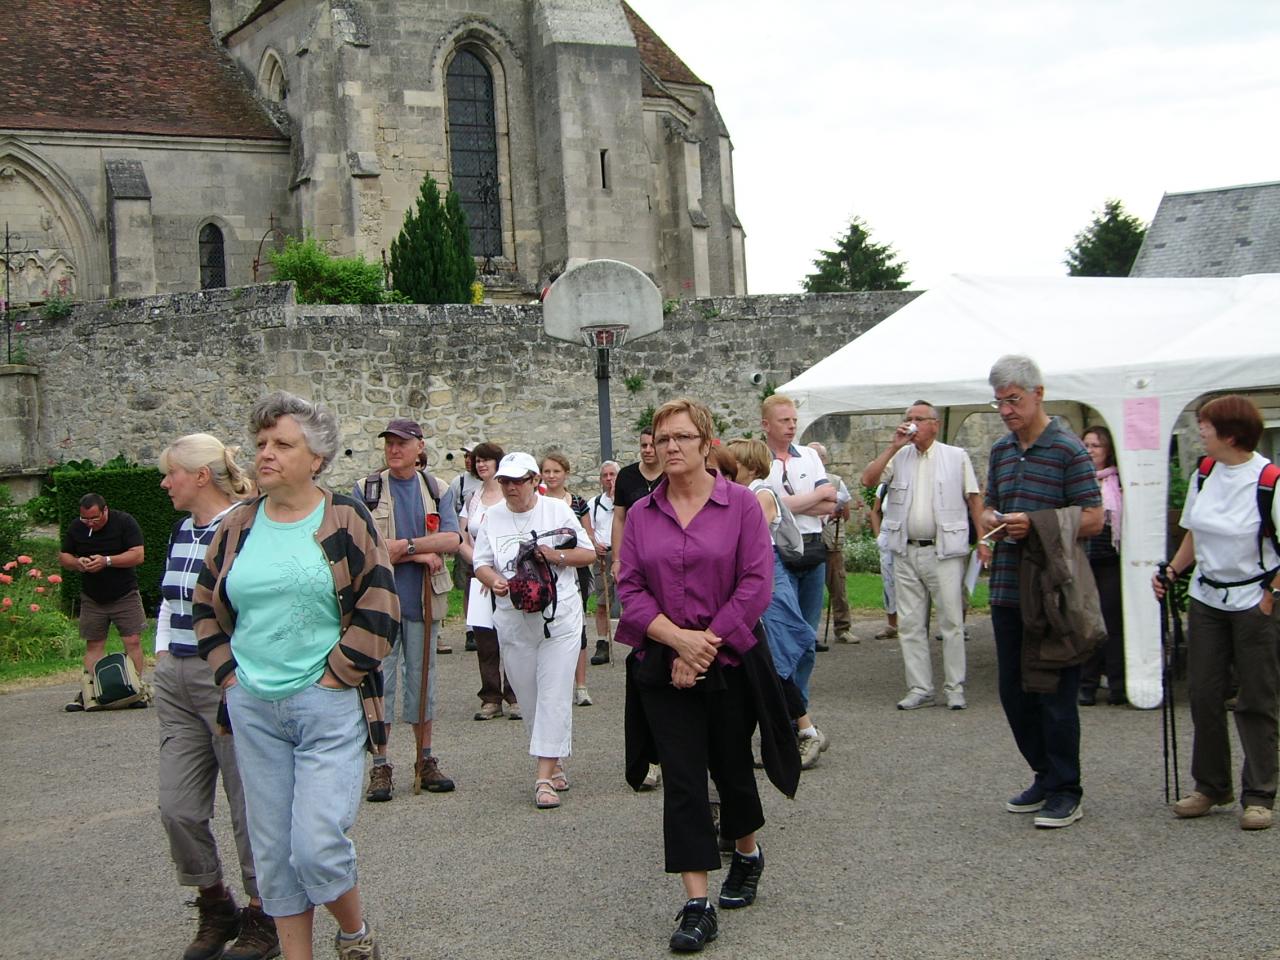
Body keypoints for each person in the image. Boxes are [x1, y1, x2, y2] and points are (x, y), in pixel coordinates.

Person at [193, 391, 398, 960]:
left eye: (283, 444)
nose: (266, 454)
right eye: (261, 444)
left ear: (317, 458)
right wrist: (229, 677)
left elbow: (381, 603)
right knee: (272, 851)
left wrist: (338, 674)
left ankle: (354, 934)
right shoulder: (236, 526)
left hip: (326, 704)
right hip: (253, 706)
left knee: (316, 846)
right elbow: (205, 606)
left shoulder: (344, 516)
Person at [617, 398, 798, 954]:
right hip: (662, 665)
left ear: (705, 443)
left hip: (730, 662)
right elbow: (628, 589)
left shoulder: (741, 505)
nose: (671, 446)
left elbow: (755, 584)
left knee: (732, 767)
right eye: (662, 438)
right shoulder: (644, 515)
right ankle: (696, 903)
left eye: (682, 437)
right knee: (683, 779)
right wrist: (676, 641)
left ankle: (746, 851)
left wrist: (703, 646)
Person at [154, 434, 279, 960]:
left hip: (225, 676)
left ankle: (264, 912)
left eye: (171, 474)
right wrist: (163, 656)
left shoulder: (245, 529)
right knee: (176, 807)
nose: (164, 483)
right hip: (176, 677)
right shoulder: (182, 530)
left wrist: (234, 672)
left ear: (201, 476)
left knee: (246, 803)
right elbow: (168, 600)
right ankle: (214, 900)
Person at [980, 356, 1102, 830]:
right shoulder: (1001, 451)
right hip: (1009, 586)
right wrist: (991, 519)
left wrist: (1038, 524)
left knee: (1054, 691)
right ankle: (1045, 774)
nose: (1006, 410)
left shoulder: (1068, 450)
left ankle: (1067, 788)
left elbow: (1094, 518)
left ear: (1038, 394)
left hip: (1054, 589)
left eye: (1013, 399)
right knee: (1013, 692)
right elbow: (992, 503)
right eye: (1000, 401)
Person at [1152, 394, 1280, 832]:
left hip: (1253, 601)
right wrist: (1172, 570)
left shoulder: (1269, 479)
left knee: (1256, 699)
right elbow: (1195, 532)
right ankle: (1211, 787)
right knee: (1204, 694)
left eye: (1205, 425)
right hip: (1207, 598)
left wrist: (1271, 595)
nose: (1199, 431)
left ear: (1230, 433)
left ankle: (1260, 795)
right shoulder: (1204, 473)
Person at [472, 452, 595, 810]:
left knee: (555, 690)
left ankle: (542, 777)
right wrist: (494, 579)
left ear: (533, 480)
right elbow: (480, 561)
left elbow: (587, 553)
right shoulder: (492, 516)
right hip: (513, 617)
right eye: (504, 482)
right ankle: (554, 759)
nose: (510, 488)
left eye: (517, 481)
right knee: (528, 695)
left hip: (560, 616)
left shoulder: (556, 510)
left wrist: (552, 555)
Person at [356, 418, 462, 801]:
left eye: (402, 442)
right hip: (378, 603)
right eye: (389, 442)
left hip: (422, 602)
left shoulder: (438, 489)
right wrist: (418, 551)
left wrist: (405, 547)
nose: (394, 449)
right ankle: (380, 765)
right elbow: (365, 547)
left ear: (420, 447)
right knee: (379, 683)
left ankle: (425, 759)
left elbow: (452, 537)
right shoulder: (365, 490)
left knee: (422, 682)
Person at [860, 402, 984, 711]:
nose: (911, 424)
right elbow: (868, 480)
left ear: (934, 425)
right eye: (908, 419)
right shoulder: (899, 456)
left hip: (944, 551)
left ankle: (954, 687)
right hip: (906, 549)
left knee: (952, 622)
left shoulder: (956, 457)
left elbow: (974, 499)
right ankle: (920, 687)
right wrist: (892, 447)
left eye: (918, 419)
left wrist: (984, 541)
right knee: (911, 623)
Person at [728, 438, 828, 769]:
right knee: (759, 661)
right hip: (755, 576)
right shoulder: (743, 494)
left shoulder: (761, 494)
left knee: (774, 658)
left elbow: (744, 536)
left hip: (765, 576)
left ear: (749, 466)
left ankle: (805, 730)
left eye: (733, 464)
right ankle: (780, 735)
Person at [761, 394, 837, 707]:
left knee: (806, 638)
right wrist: (814, 497)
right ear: (766, 425)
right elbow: (762, 506)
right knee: (783, 638)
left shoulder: (809, 455)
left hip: (813, 551)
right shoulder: (760, 460)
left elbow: (831, 502)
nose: (792, 426)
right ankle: (784, 707)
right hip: (778, 554)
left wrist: (781, 504)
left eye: (794, 420)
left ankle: (798, 708)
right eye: (784, 421)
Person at [59, 492, 147, 710]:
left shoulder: (124, 522)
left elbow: (138, 555)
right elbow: (64, 556)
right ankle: (89, 693)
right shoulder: (76, 528)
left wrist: (107, 561)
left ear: (105, 510)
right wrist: (78, 563)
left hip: (124, 593)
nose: (90, 523)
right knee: (94, 644)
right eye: (85, 519)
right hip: (92, 597)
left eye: (94, 518)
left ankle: (135, 689)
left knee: (132, 640)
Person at [457, 441, 519, 721]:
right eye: (477, 460)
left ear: (498, 463)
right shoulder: (473, 496)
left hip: (510, 575)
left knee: (513, 636)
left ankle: (516, 694)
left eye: (486, 460)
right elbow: (462, 538)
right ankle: (491, 697)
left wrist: (496, 570)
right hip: (478, 576)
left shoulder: (509, 497)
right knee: (485, 639)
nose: (481, 465)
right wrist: (480, 567)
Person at [540, 451, 597, 706]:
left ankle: (581, 684)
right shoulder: (537, 501)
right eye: (547, 471)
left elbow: (588, 535)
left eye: (556, 471)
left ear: (566, 474)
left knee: (578, 624)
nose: (551, 476)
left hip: (575, 568)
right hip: (542, 570)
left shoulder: (577, 502)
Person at [1079, 425, 1127, 706]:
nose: (1089, 450)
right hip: (1084, 559)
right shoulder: (1079, 480)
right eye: (1085, 445)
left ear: (1108, 450)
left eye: (1095, 445)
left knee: (1112, 622)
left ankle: (1118, 683)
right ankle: (1087, 683)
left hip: (1111, 560)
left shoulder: (1117, 483)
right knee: (1086, 623)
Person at [807, 442, 855, 646]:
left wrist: (834, 516)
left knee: (837, 586)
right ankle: (808, 633)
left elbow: (846, 513)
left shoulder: (836, 481)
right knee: (810, 590)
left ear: (824, 460)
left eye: (819, 457)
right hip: (808, 542)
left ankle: (843, 628)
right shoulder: (803, 481)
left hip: (830, 540)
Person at [587, 460, 620, 665]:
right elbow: (587, 529)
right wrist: (594, 544)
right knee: (602, 602)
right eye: (605, 475)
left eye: (612, 475)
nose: (608, 479)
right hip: (602, 556)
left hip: (624, 555)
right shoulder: (595, 503)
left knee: (630, 601)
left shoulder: (626, 500)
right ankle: (602, 644)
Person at [450, 444, 483, 652]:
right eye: (466, 456)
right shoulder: (459, 482)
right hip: (467, 543)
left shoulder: (494, 481)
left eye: (473, 456)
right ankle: (470, 629)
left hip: (485, 542)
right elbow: (453, 509)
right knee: (468, 586)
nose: (468, 460)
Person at [869, 484, 900, 641]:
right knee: (888, 580)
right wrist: (878, 536)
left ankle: (910, 622)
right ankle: (892, 624)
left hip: (904, 535)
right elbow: (875, 511)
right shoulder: (883, 487)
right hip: (887, 536)